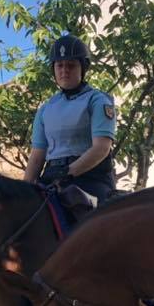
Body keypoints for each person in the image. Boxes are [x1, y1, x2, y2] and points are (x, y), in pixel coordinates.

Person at [23, 35, 116, 203]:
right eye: (59, 65)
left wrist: (67, 173)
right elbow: (37, 157)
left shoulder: (98, 101)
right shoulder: (45, 109)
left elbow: (101, 148)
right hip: (52, 177)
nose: (64, 70)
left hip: (90, 178)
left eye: (71, 65)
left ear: (83, 68)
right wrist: (21, 192)